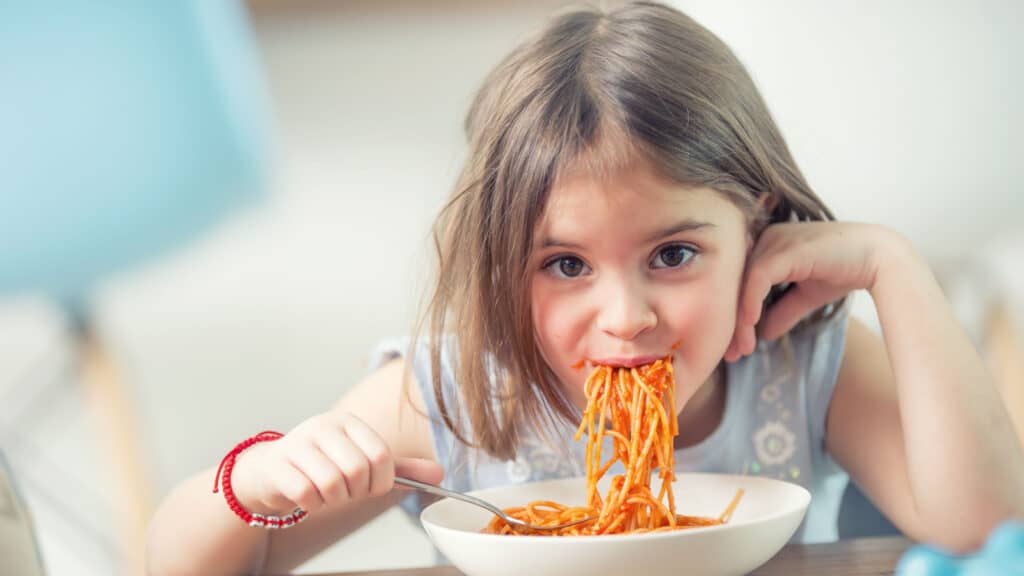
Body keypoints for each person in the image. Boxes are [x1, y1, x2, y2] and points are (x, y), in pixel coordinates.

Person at [145, 2, 1024, 573]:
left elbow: (979, 527)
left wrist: (892, 268)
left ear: (757, 225)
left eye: (674, 255)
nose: (626, 318)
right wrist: (251, 481)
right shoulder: (457, 395)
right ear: (501, 263)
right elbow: (180, 566)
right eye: (565, 265)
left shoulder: (804, 365)